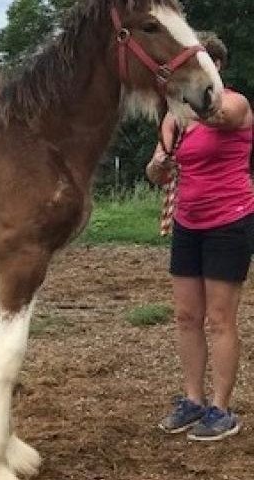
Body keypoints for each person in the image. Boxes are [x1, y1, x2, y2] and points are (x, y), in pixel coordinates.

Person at [147, 31, 254, 441]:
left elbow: (215, 115)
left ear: (216, 67)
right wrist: (159, 164)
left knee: (220, 319)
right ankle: (193, 400)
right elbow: (157, 171)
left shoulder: (235, 104)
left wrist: (186, 102)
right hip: (188, 224)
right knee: (186, 317)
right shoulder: (174, 117)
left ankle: (222, 409)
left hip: (229, 223)